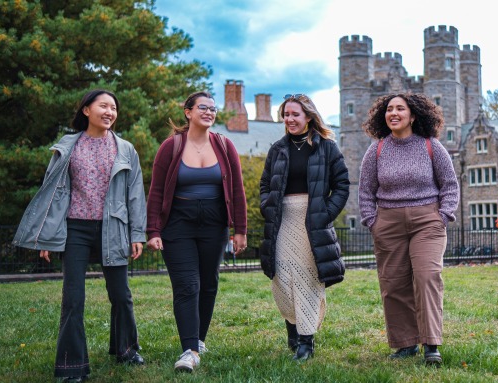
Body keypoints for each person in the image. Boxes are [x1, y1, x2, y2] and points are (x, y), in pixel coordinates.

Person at [12, 89, 147, 381]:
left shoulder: (125, 149)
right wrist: (48, 236)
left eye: (114, 107)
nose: (110, 112)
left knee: (121, 295)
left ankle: (126, 349)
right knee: (73, 299)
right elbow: (52, 194)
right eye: (103, 106)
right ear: (86, 110)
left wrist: (137, 233)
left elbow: (135, 194)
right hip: (76, 229)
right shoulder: (68, 146)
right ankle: (72, 365)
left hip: (114, 228)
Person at [145, 91, 247, 372]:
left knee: (208, 283)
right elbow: (155, 191)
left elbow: (237, 191)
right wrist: (153, 229)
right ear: (187, 112)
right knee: (187, 285)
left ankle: (199, 340)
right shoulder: (171, 146)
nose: (209, 112)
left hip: (214, 226)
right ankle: (189, 350)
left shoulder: (225, 146)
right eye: (203, 107)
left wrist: (240, 230)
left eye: (213, 109)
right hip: (178, 225)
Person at [358, 93, 459, 367]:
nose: (394, 113)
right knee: (393, 283)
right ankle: (404, 344)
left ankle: (431, 344)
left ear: (412, 115)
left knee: (427, 277)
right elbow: (366, 190)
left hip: (427, 220)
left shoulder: (431, 146)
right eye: (389, 109)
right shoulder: (376, 150)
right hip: (388, 222)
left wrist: (443, 215)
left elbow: (450, 184)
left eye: (400, 109)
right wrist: (372, 221)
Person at [259, 93, 350, 361]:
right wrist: (268, 206)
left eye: (294, 114)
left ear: (308, 116)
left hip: (313, 224)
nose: (289, 119)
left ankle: (306, 342)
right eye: (286, 115)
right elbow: (265, 185)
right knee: (283, 279)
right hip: (283, 222)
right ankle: (293, 329)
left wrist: (325, 213)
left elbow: (342, 185)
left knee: (308, 279)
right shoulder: (277, 149)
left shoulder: (326, 147)